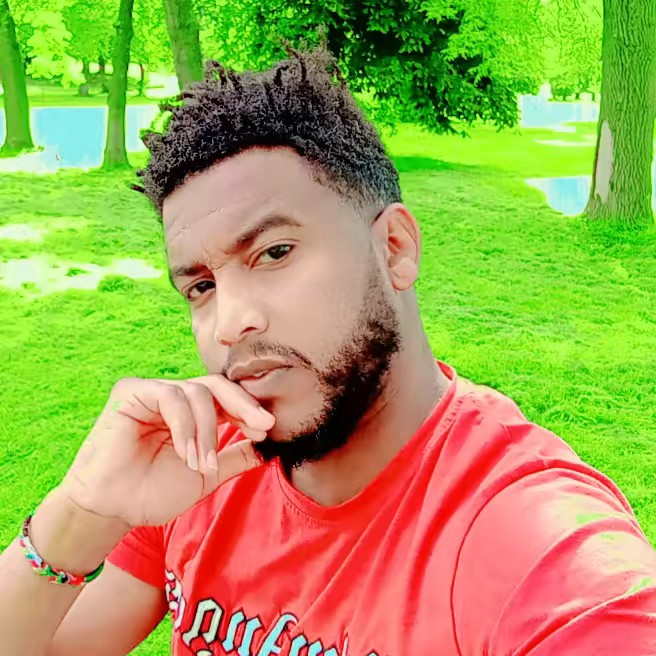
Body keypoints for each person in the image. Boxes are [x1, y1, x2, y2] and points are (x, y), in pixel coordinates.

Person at [1, 46, 655, 656]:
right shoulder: (199, 467)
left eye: (274, 252)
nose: (230, 322)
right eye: (201, 286)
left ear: (394, 249)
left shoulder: (531, 541)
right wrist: (81, 514)